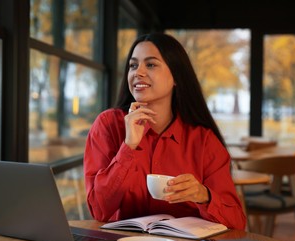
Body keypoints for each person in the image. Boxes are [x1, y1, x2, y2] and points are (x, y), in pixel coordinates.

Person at [84, 32, 246, 230]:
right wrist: (128, 147)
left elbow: (237, 222)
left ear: (177, 76)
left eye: (150, 64)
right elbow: (98, 210)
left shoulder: (203, 140)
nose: (138, 72)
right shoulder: (108, 125)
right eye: (133, 65)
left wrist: (204, 195)